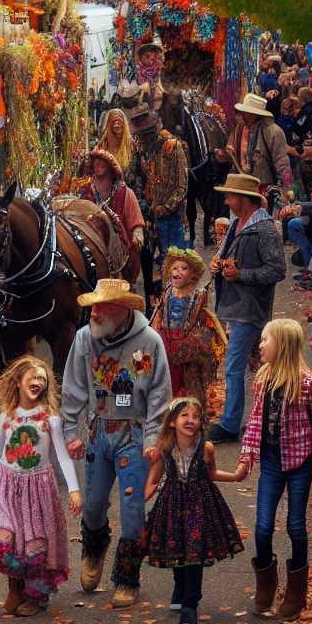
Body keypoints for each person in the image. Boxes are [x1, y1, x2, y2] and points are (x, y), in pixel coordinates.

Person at [61, 278, 172, 608]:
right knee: (93, 506)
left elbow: (159, 394)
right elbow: (73, 389)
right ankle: (95, 548)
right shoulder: (84, 339)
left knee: (132, 508)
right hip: (98, 432)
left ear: (122, 310)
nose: (94, 312)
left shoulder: (149, 342)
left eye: (102, 306)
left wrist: (153, 440)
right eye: (92, 306)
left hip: (134, 435)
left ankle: (127, 576)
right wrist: (71, 434)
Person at [235, 319, 312, 622]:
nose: (261, 344)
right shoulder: (264, 377)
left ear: (284, 346)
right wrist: (246, 458)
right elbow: (255, 421)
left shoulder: (307, 383)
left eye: (266, 340)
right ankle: (267, 581)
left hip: (300, 462)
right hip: (271, 461)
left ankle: (296, 591)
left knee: (295, 526)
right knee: (262, 528)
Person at [0, 356, 80, 617]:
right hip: (6, 484)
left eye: (42, 380)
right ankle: (14, 588)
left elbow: (62, 456)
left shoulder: (51, 420)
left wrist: (74, 489)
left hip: (37, 489)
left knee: (34, 542)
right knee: (7, 536)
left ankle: (35, 595)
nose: (38, 382)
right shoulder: (7, 416)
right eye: (32, 378)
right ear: (17, 382)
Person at [144, 397, 245, 624]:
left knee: (194, 552)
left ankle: (190, 608)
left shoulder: (206, 447)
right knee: (178, 549)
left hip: (200, 504)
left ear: (201, 422)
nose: (190, 421)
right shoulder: (163, 450)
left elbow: (211, 473)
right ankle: (180, 588)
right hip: (172, 503)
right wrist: (136, 506)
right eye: (184, 416)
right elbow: (153, 481)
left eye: (196, 416)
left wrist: (235, 476)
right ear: (172, 422)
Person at [206, 174, 286, 444]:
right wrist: (219, 263)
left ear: (243, 199)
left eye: (229, 195)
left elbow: (277, 269)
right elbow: (231, 255)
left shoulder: (263, 229)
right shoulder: (238, 224)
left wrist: (241, 274)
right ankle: (260, 420)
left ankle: (230, 425)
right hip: (236, 305)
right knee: (251, 366)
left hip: (250, 308)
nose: (226, 200)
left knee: (234, 366)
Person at [126, 104, 188, 309]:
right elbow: (133, 179)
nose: (141, 138)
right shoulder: (140, 150)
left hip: (170, 219)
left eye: (144, 134)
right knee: (151, 268)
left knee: (174, 267)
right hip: (148, 219)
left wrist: (166, 206)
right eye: (139, 134)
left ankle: (176, 308)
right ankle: (154, 311)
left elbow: (182, 185)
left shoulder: (172, 146)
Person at [150, 247, 227, 407]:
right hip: (167, 347)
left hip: (187, 354)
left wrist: (194, 343)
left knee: (187, 392)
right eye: (175, 268)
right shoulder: (167, 293)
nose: (178, 272)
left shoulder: (198, 297)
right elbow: (159, 318)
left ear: (192, 274)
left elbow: (204, 326)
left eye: (183, 268)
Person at [79, 147, 143, 285]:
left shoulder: (123, 192)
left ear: (110, 167)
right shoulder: (85, 192)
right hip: (90, 247)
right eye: (96, 162)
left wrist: (136, 239)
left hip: (118, 250)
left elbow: (136, 223)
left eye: (103, 163)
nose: (99, 166)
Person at [227, 92, 293, 192]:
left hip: (263, 189)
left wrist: (288, 197)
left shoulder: (273, 132)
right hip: (241, 188)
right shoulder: (239, 128)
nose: (243, 115)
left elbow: (284, 166)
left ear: (256, 114)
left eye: (247, 112)